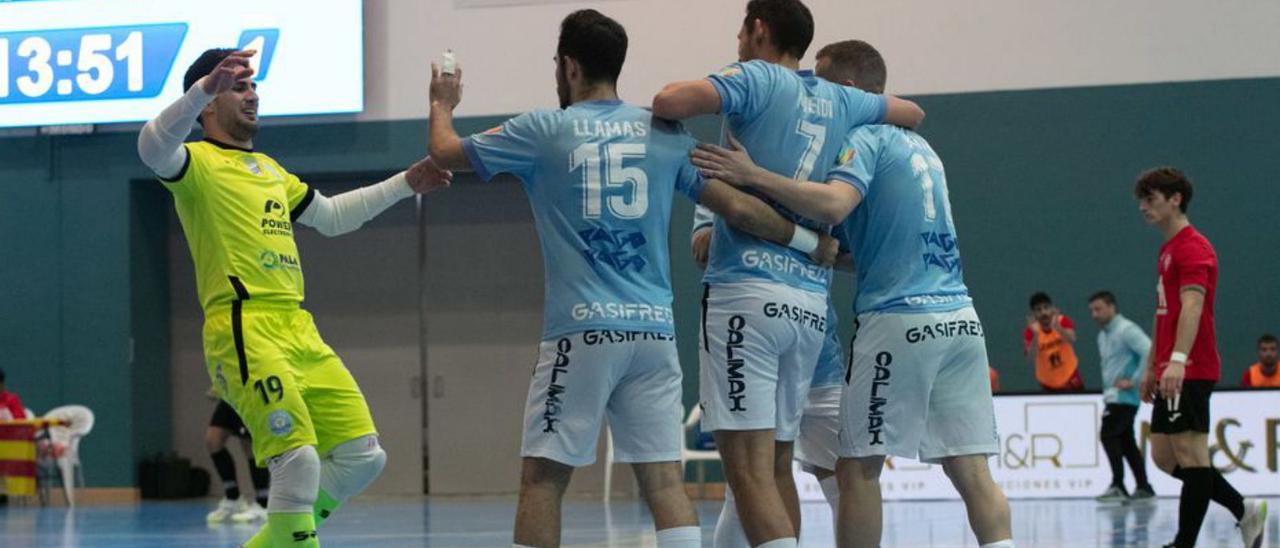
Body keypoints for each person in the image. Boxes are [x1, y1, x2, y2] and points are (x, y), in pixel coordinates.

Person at [425, 10, 835, 548]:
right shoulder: (665, 134)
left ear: (569, 66)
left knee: (543, 479)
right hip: (653, 336)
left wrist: (442, 102)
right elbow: (740, 209)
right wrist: (813, 243)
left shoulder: (543, 130)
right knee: (664, 481)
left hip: (581, 333)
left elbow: (444, 153)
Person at [691, 39, 1013, 548]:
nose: (813, 91)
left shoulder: (864, 140)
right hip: (960, 318)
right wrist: (815, 246)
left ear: (848, 90)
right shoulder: (924, 150)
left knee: (855, 468)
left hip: (895, 320)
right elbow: (867, 248)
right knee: (972, 470)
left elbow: (836, 206)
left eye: (820, 80)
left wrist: (755, 176)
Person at [137, 48, 450, 547]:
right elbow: (151, 146)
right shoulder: (194, 164)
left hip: (297, 327)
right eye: (238, 86)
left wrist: (404, 184)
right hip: (242, 325)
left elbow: (330, 217)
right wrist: (200, 88)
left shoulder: (270, 170)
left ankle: (273, 541)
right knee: (298, 459)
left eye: (253, 85)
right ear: (208, 104)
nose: (252, 94)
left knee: (362, 456)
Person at [652, 2, 925, 545]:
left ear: (758, 30)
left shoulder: (754, 79)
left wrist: (744, 164)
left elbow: (668, 101)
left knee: (751, 474)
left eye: (740, 29)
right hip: (806, 303)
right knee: (771, 472)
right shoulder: (841, 101)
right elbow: (912, 112)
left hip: (747, 295)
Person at [1133, 167, 1267, 548]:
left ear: (1175, 199)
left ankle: (1183, 543)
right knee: (1162, 455)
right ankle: (1244, 510)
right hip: (1169, 368)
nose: (1143, 207)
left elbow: (1193, 307)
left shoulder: (1194, 248)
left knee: (1192, 456)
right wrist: (1150, 365)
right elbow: (1164, 314)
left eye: (1151, 199)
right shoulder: (1167, 250)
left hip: (1191, 367)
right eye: (1141, 200)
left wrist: (1177, 359)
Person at [1086, 291, 1154, 503]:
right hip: (1114, 395)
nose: (1094, 315)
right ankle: (1143, 487)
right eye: (1091, 311)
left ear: (1111, 307)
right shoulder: (1103, 336)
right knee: (1126, 441)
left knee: (1108, 434)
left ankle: (1118, 484)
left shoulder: (1126, 330)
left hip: (1124, 397)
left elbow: (1149, 349)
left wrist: (1134, 380)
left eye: (1098, 309)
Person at [205, 391, 270, 523]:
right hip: (229, 393)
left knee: (249, 444)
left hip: (247, 392)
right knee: (213, 440)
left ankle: (263, 503)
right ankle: (233, 497)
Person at [1024, 292, 1084, 392]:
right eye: (1038, 310)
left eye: (1046, 307)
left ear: (1052, 308)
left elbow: (1072, 339)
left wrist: (1058, 328)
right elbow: (1030, 357)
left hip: (1070, 376)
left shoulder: (1062, 321)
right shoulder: (1030, 331)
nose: (1044, 312)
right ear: (1034, 314)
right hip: (1048, 383)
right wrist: (1036, 335)